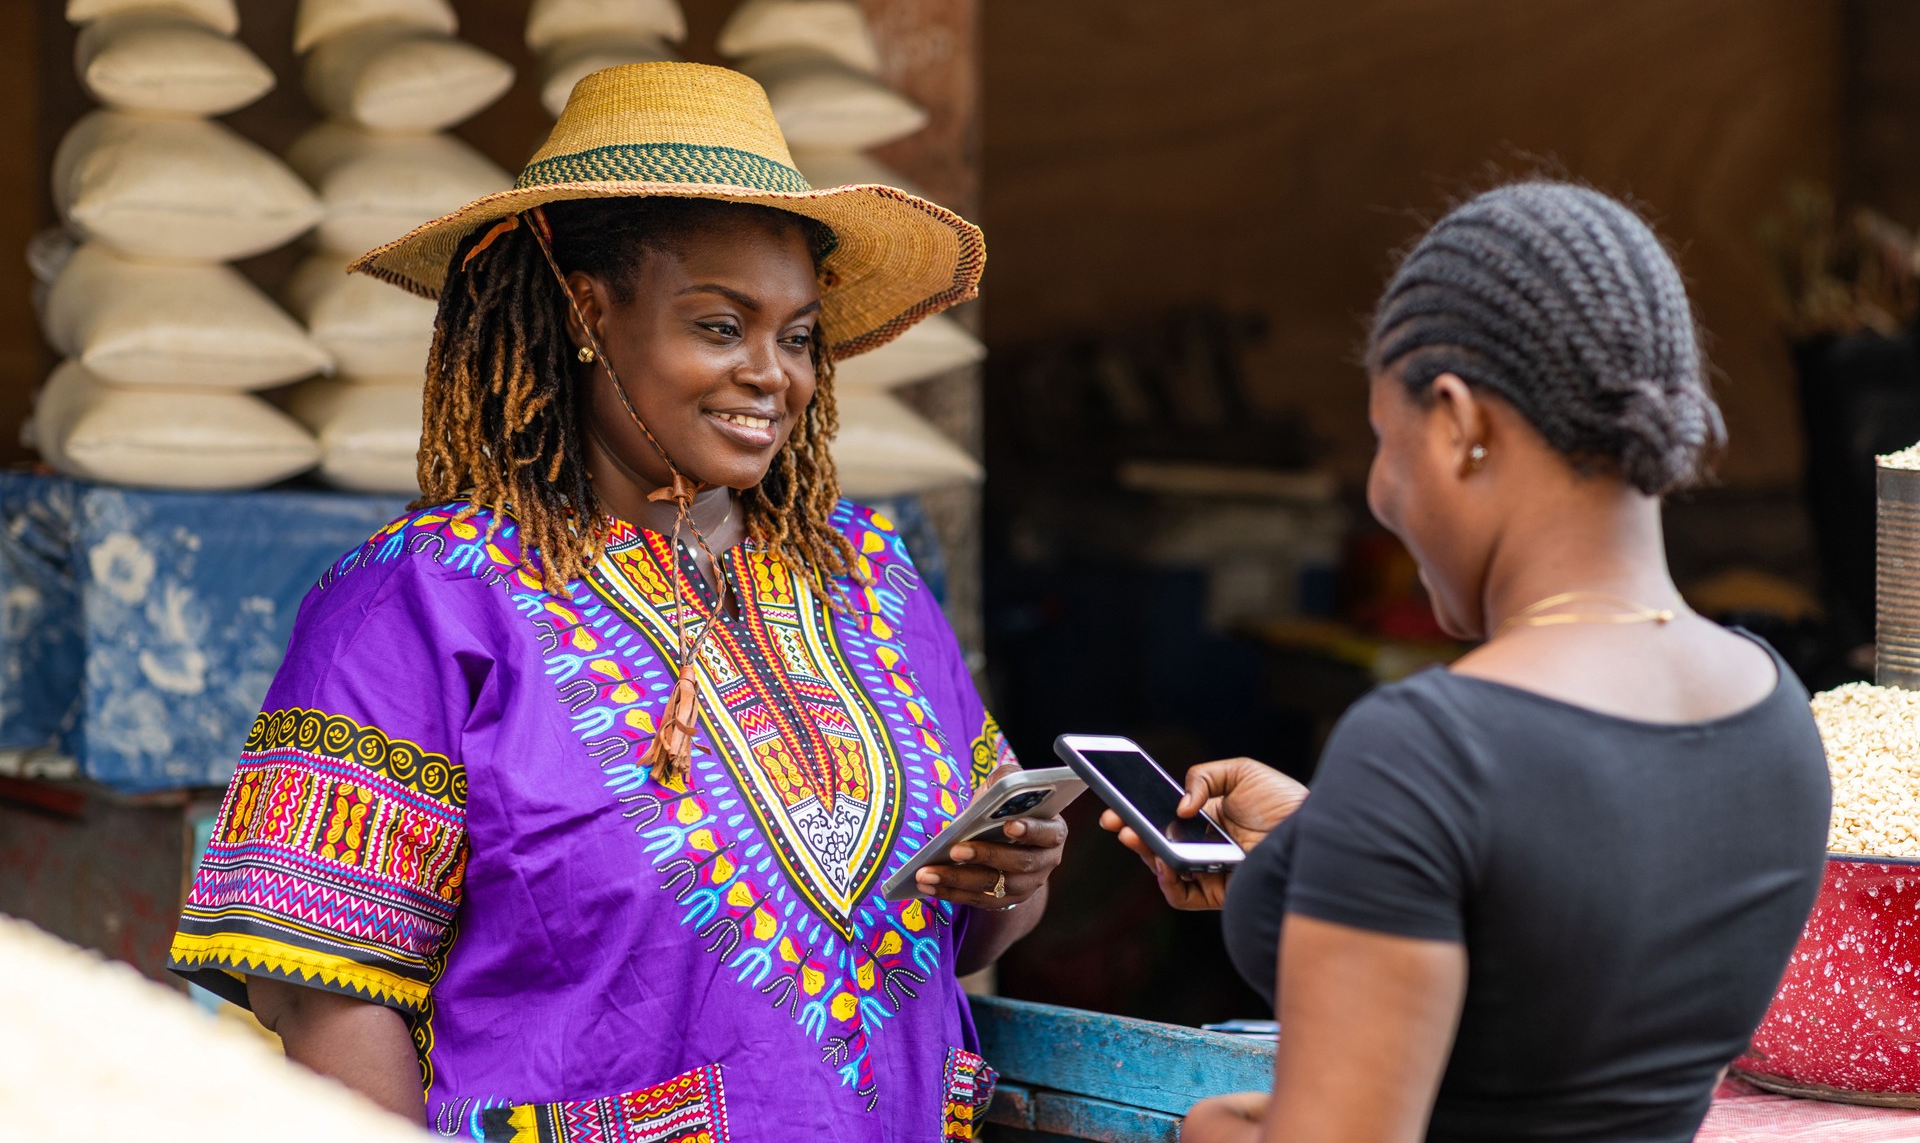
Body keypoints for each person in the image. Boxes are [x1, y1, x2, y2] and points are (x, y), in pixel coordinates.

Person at [168, 62, 1061, 1141]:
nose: (774, 375)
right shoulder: (424, 603)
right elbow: (322, 993)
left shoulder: (872, 581)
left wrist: (1009, 880)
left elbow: (960, 941)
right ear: (589, 311)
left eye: (799, 335)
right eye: (721, 326)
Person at [1104, 183, 1830, 1143]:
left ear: (1456, 421)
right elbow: (1548, 945)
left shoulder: (1428, 751)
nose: (1377, 492)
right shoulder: (1772, 710)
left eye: (1382, 441)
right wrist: (1329, 849)